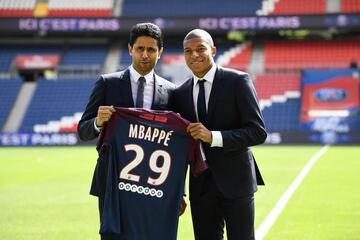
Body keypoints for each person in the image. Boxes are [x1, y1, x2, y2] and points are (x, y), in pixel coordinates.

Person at [77, 22, 176, 240]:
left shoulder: (171, 92)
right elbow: (83, 130)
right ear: (130, 48)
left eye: (151, 49)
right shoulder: (107, 83)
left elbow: (176, 146)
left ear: (160, 52)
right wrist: (98, 122)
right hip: (112, 180)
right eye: (140, 48)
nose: (145, 54)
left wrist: (180, 190)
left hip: (153, 182)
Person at [173, 29, 267, 240]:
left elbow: (258, 132)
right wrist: (180, 190)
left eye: (200, 49)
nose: (194, 55)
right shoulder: (180, 93)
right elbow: (179, 146)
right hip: (200, 187)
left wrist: (213, 137)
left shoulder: (238, 81)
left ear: (213, 50)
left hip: (236, 182)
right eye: (188, 51)